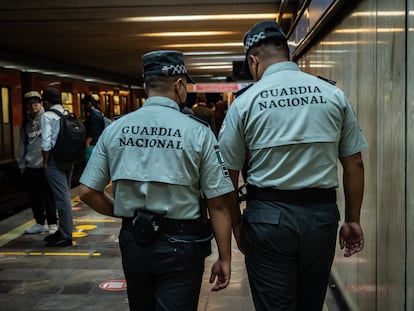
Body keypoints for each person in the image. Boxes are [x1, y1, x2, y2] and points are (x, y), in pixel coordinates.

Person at [218, 20, 368, 311]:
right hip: (321, 219)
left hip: (268, 220)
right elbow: (355, 163)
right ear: (287, 54)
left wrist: (237, 224)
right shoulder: (332, 94)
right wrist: (352, 219)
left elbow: (227, 175)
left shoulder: (244, 103)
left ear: (253, 60)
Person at [78, 50, 234, 311]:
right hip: (182, 244)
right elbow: (218, 203)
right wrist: (225, 256)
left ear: (145, 86)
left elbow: (86, 192)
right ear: (179, 85)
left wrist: (127, 214)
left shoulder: (115, 128)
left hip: (134, 241)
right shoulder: (198, 131)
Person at [17, 91, 57, 235]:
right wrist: (21, 164)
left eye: (36, 102)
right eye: (30, 103)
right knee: (35, 197)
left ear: (41, 103)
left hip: (46, 165)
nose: (33, 105)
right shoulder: (25, 123)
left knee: (49, 196)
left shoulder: (47, 118)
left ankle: (53, 223)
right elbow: (22, 144)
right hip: (31, 166)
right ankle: (40, 223)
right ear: (26, 106)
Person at [41, 87, 73, 247]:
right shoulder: (67, 113)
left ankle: (66, 235)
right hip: (69, 159)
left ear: (46, 102)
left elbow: (46, 143)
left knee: (62, 198)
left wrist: (46, 163)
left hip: (55, 160)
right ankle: (63, 230)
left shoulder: (47, 116)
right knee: (64, 194)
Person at [82, 95, 105, 162]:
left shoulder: (93, 115)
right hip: (98, 143)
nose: (84, 107)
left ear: (89, 104)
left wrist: (87, 143)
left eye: (85, 105)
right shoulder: (99, 113)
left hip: (92, 145)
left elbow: (93, 130)